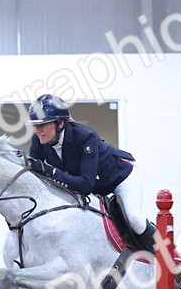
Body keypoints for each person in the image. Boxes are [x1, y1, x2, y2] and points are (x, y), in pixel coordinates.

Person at [25, 94, 147, 241]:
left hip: (120, 177)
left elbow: (86, 185)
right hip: (95, 186)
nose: (37, 130)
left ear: (61, 123)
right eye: (35, 125)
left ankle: (164, 251)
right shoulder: (39, 140)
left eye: (42, 125)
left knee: (134, 219)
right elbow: (32, 171)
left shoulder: (84, 136)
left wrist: (51, 172)